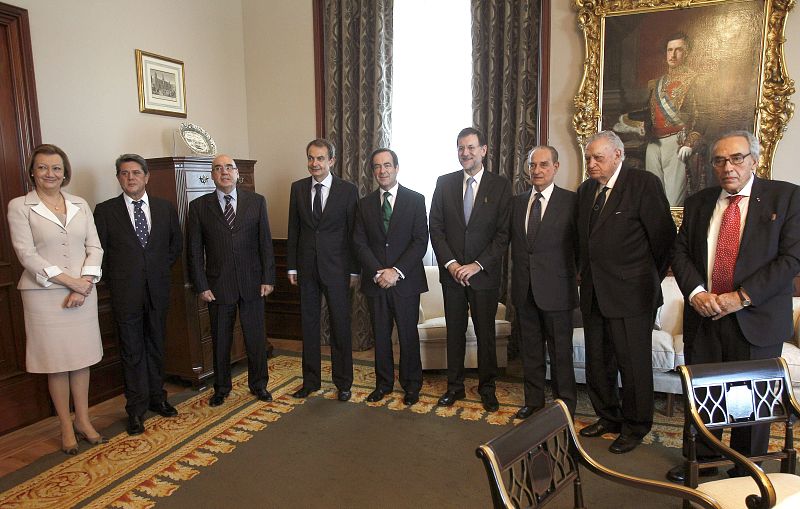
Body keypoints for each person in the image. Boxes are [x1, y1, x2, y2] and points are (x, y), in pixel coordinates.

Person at [665, 131, 800, 482]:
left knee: (751, 401)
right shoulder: (699, 202)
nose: (728, 167)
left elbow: (791, 258)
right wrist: (696, 293)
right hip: (705, 316)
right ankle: (702, 459)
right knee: (704, 395)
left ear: (754, 160)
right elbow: (679, 252)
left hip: (756, 317)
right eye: (720, 160)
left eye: (737, 158)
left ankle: (746, 467)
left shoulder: (786, 197)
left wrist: (741, 297)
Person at [576, 130, 675, 454]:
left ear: (618, 155)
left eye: (598, 158)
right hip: (594, 293)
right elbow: (583, 242)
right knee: (597, 362)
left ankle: (635, 426)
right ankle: (608, 416)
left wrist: (642, 278)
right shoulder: (586, 190)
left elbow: (664, 241)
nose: (591, 163)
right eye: (588, 158)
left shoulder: (643, 184)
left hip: (632, 295)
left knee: (633, 365)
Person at [7, 144, 105, 455]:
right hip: (44, 296)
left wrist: (83, 284)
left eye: (56, 168)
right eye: (43, 167)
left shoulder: (80, 203)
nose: (50, 173)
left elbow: (95, 248)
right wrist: (69, 282)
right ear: (32, 172)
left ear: (65, 173)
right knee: (58, 363)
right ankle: (65, 425)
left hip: (83, 292)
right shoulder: (20, 206)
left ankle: (83, 420)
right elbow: (26, 255)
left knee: (81, 359)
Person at [94, 154, 182, 435]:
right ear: (118, 178)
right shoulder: (105, 211)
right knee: (131, 352)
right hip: (125, 294)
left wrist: (154, 271)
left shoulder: (165, 208)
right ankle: (135, 408)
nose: (130, 177)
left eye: (135, 172)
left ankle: (158, 398)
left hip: (158, 291)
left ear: (146, 176)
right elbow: (99, 253)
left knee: (156, 346)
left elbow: (174, 246)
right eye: (124, 173)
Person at [429, 127, 512, 412]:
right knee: (454, 333)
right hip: (452, 275)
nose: (465, 153)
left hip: (483, 275)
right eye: (461, 148)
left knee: (485, 334)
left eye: (471, 147)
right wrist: (452, 264)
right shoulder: (444, 183)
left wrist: (476, 265)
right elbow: (435, 227)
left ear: (483, 150)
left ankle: (487, 388)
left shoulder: (500, 186)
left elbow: (503, 234)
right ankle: (455, 387)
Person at [187, 154, 275, 407]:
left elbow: (265, 243)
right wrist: (201, 285)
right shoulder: (199, 207)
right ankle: (221, 388)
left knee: (255, 340)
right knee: (221, 341)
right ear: (212, 176)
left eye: (229, 167)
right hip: (218, 286)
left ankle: (259, 385)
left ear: (237, 174)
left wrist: (268, 277)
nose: (224, 172)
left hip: (253, 283)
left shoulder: (256, 202)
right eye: (218, 168)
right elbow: (194, 250)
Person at [353, 148, 428, 406]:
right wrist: (379, 272)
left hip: (406, 282)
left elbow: (420, 241)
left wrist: (396, 272)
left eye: (387, 165)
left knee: (408, 336)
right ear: (372, 171)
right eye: (377, 166)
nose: (382, 170)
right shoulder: (364, 204)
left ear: (396, 168)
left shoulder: (415, 200)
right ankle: (383, 384)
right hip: (376, 283)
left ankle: (411, 385)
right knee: (381, 337)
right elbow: (359, 243)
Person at [287, 139, 359, 402]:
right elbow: (294, 228)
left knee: (340, 327)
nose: (314, 163)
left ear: (331, 161)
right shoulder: (297, 188)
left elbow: (354, 233)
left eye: (319, 158)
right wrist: (292, 265)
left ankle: (343, 383)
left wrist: (354, 270)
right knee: (309, 327)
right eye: (310, 158)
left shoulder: (348, 190)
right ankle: (310, 381)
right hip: (306, 268)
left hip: (338, 270)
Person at [510, 146, 578, 420]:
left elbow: (580, 246)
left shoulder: (571, 201)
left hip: (558, 291)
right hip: (524, 290)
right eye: (532, 165)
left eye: (543, 165)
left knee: (560, 353)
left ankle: (564, 406)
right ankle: (533, 401)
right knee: (530, 351)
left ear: (556, 167)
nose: (537, 170)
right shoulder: (517, 202)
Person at [624, 32, 706, 206]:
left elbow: (704, 115)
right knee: (652, 198)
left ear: (687, 52)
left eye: (678, 50)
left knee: (673, 201)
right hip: (655, 144)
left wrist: (689, 143)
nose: (673, 55)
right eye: (670, 50)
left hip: (677, 143)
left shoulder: (695, 81)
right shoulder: (656, 83)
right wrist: (630, 122)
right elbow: (649, 113)